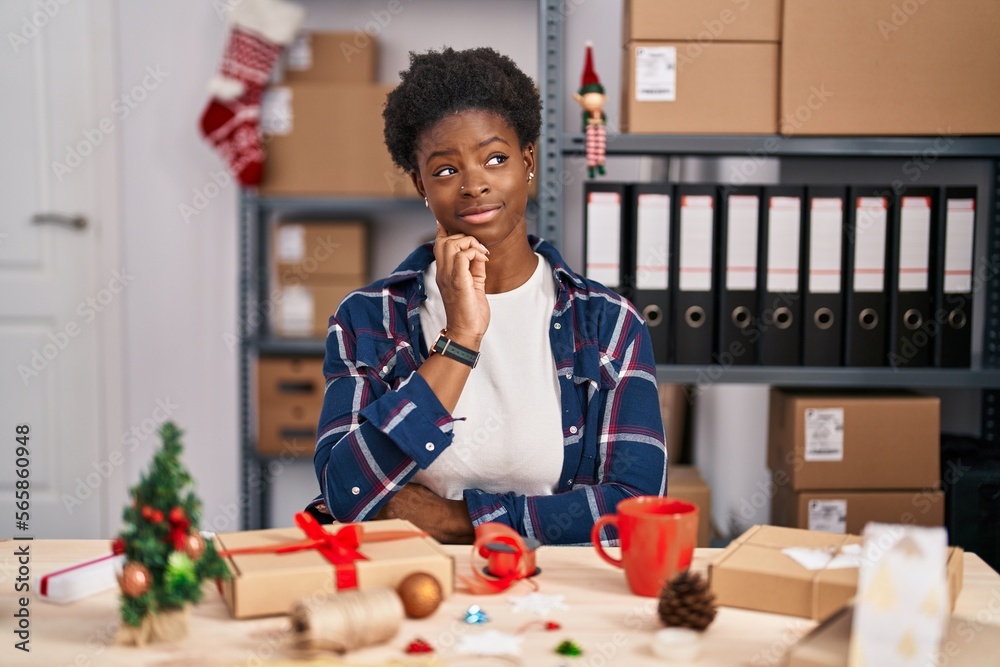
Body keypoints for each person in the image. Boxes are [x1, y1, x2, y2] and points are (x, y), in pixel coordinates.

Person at [306, 47, 666, 545]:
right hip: (417, 584)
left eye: (495, 159)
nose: (474, 185)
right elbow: (344, 489)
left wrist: (458, 521)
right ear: (421, 186)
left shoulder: (608, 324)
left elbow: (635, 505)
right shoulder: (367, 319)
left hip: (555, 595)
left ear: (528, 161)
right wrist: (461, 337)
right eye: (446, 170)